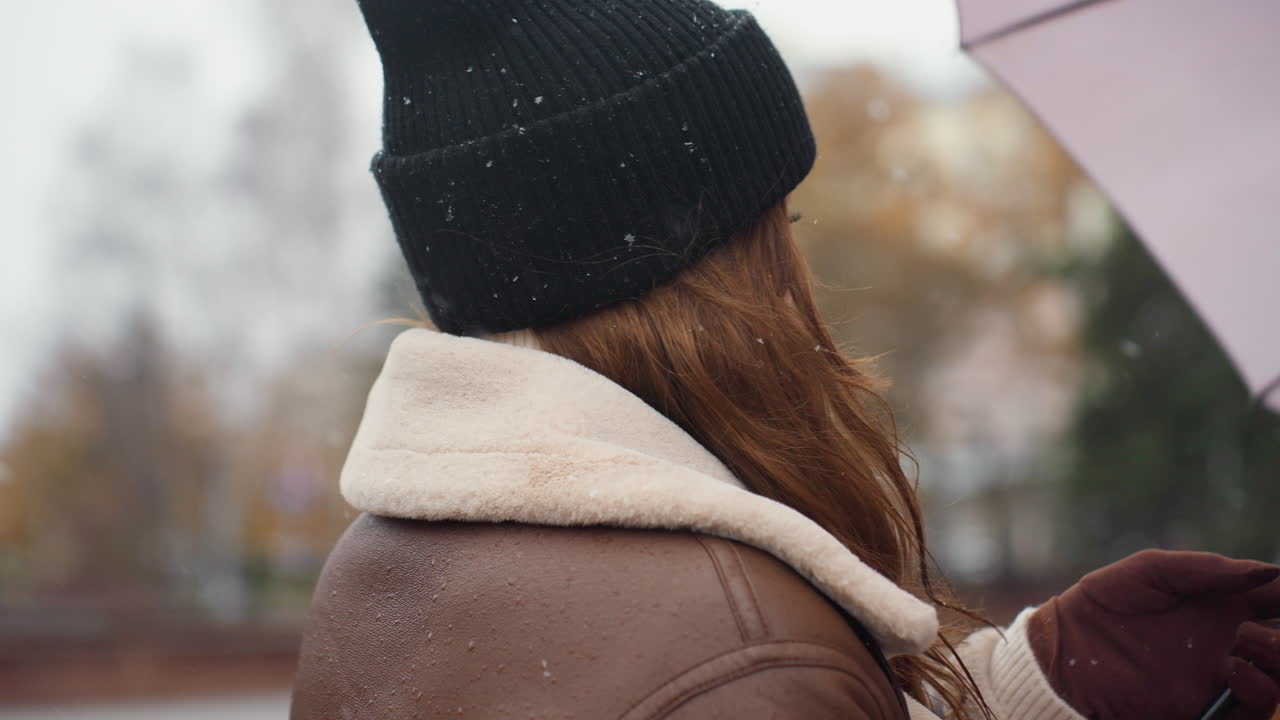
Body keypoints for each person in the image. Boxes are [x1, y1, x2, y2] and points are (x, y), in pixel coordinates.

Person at [291, 1, 1280, 717]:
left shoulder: (378, 571)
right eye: (781, 225)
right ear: (705, 270)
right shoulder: (741, 657)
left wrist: (1029, 682)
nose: (799, 274)